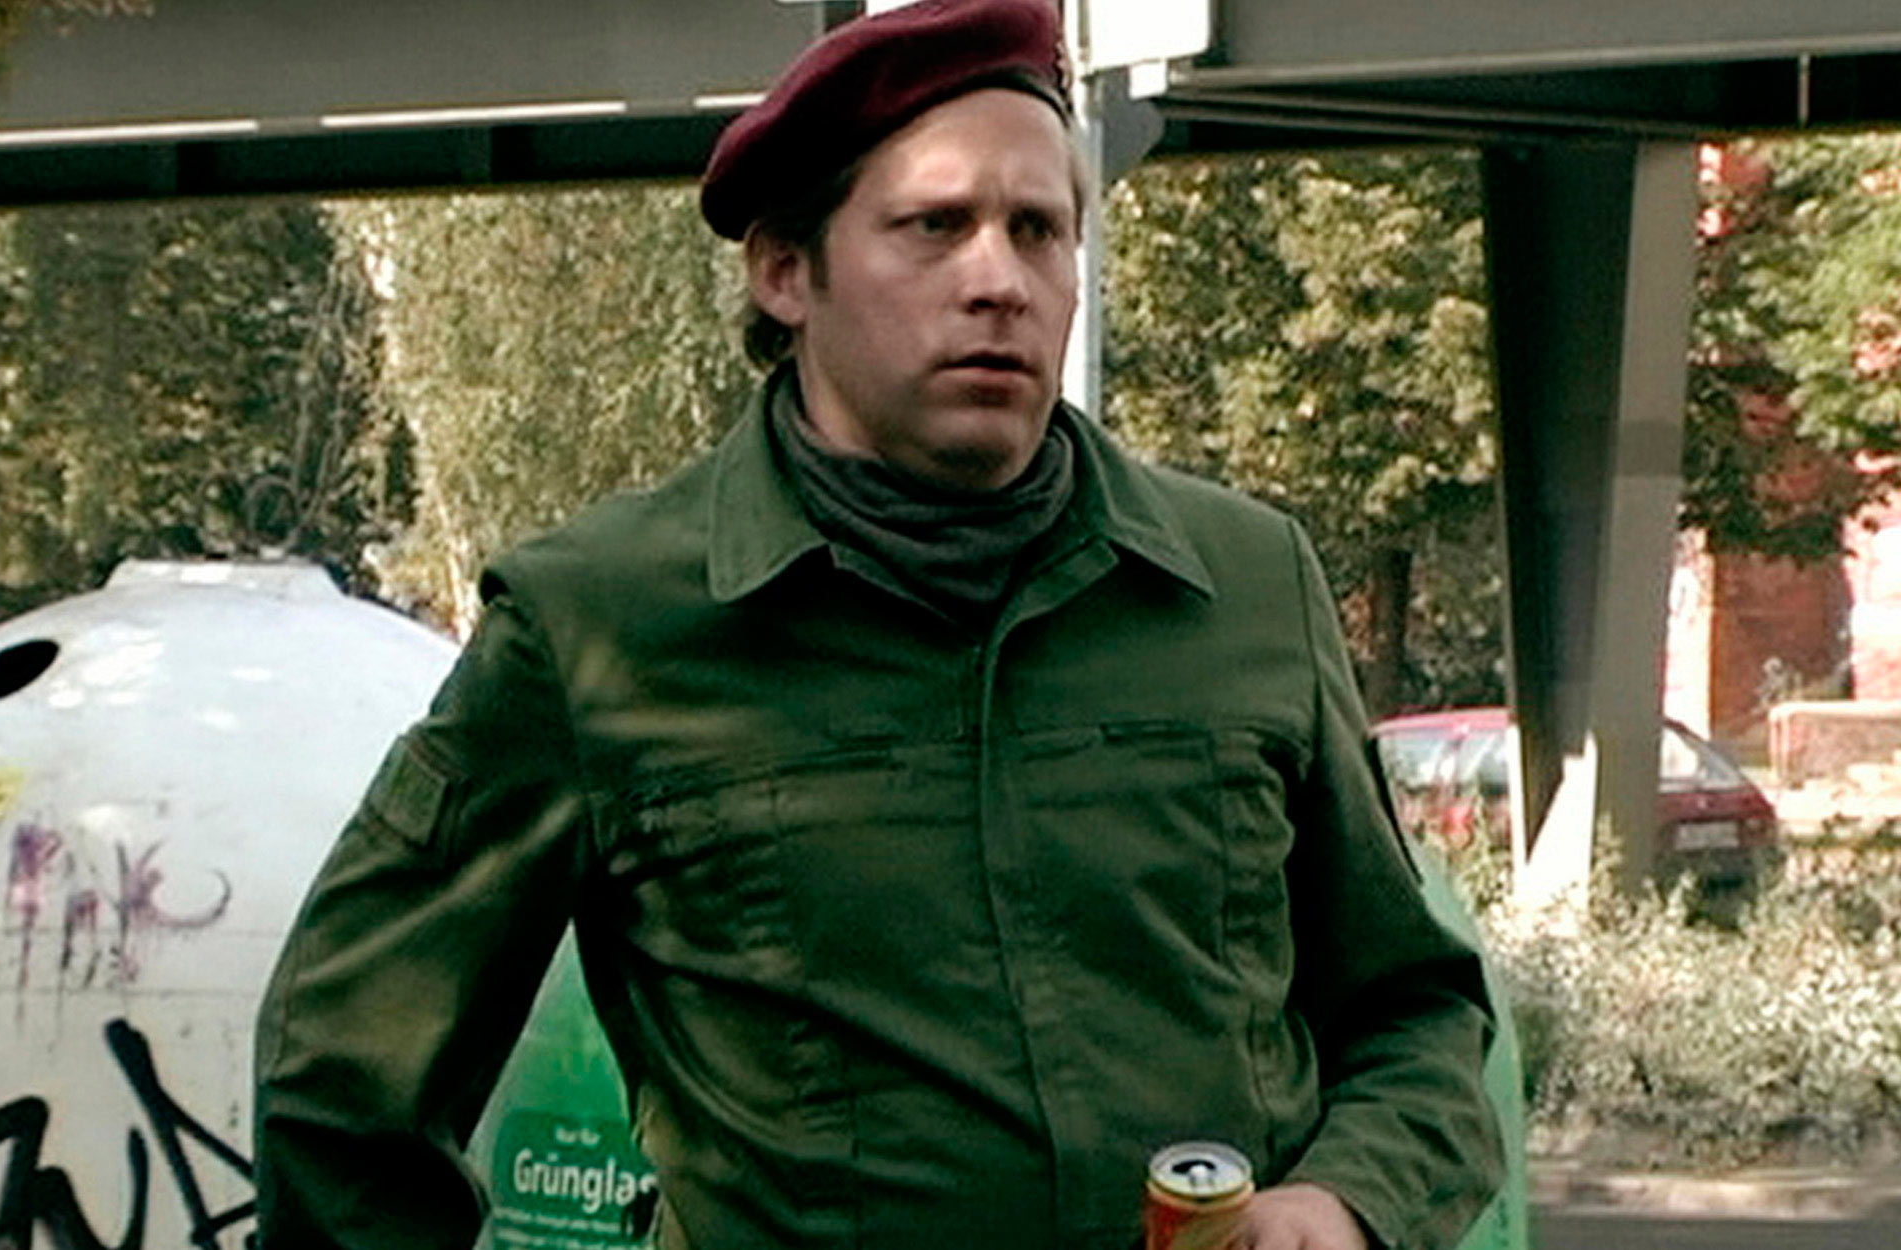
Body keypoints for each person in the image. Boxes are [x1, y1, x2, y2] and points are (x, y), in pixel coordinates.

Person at [251, 2, 1503, 1248]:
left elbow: (1415, 1008)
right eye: (933, 226)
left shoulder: (1244, 584)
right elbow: (345, 1078)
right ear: (785, 272)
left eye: (1038, 230)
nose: (997, 281)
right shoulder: (600, 626)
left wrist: (1345, 1200)